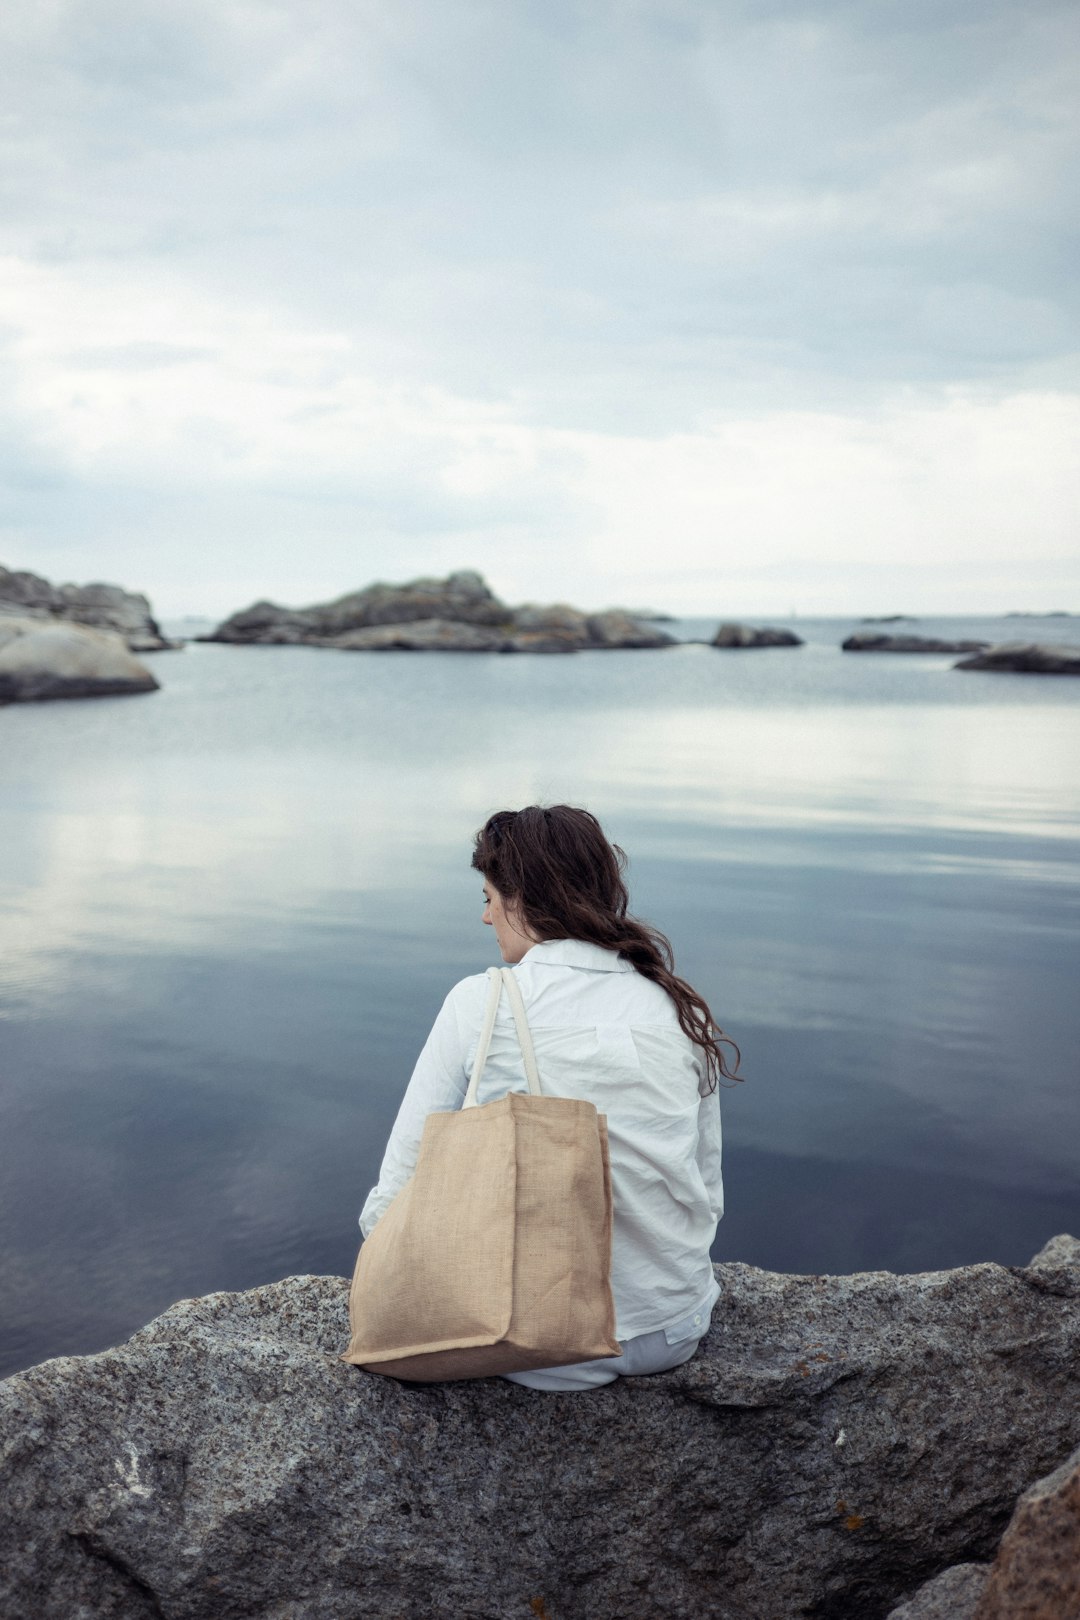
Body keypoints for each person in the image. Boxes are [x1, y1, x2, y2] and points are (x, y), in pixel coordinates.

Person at [359, 804, 741, 1391]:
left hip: (539, 1343)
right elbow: (706, 1194)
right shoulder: (678, 1008)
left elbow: (398, 1187)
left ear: (521, 899)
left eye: (489, 897)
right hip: (672, 1329)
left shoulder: (481, 1001)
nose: (485, 917)